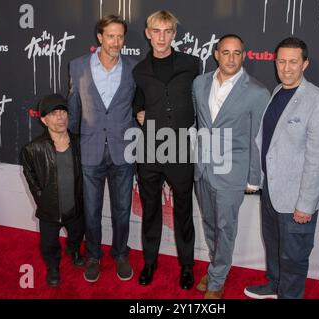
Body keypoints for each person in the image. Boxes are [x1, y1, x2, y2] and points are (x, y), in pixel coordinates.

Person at [244, 37, 319, 299]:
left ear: (304, 64)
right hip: (272, 192)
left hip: (297, 199)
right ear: (275, 62)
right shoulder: (278, 91)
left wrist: (306, 204)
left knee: (294, 256)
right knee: (273, 246)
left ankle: (289, 295)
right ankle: (274, 285)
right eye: (281, 61)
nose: (286, 68)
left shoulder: (317, 102)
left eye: (293, 62)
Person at [192, 34, 270, 299]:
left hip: (232, 172)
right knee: (210, 224)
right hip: (202, 169)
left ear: (244, 55)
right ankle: (217, 266)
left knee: (226, 228)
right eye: (226, 52)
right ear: (216, 54)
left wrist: (253, 178)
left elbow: (257, 139)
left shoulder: (257, 92)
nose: (231, 58)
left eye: (237, 53)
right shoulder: (200, 83)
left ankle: (217, 280)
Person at [132, 10, 200, 289]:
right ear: (148, 33)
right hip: (149, 149)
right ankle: (150, 262)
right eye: (156, 31)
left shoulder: (193, 64)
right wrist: (138, 111)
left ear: (174, 34)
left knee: (184, 211)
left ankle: (186, 266)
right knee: (150, 210)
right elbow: (137, 100)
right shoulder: (139, 70)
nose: (161, 37)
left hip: (181, 148)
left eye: (167, 31)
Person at [67, 15, 137, 282]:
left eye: (120, 36)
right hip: (90, 150)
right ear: (99, 37)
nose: (116, 42)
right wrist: (71, 143)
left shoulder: (134, 68)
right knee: (92, 210)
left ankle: (120, 254)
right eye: (111, 36)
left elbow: (138, 106)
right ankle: (94, 256)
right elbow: (73, 108)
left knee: (122, 210)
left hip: (123, 151)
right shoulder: (77, 66)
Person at [21, 93, 85, 288]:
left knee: (77, 234)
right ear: (43, 119)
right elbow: (30, 176)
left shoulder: (80, 142)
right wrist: (42, 198)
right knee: (49, 244)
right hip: (49, 210)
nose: (60, 117)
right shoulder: (33, 149)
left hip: (76, 205)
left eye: (63, 112)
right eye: (54, 113)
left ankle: (73, 250)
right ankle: (53, 267)